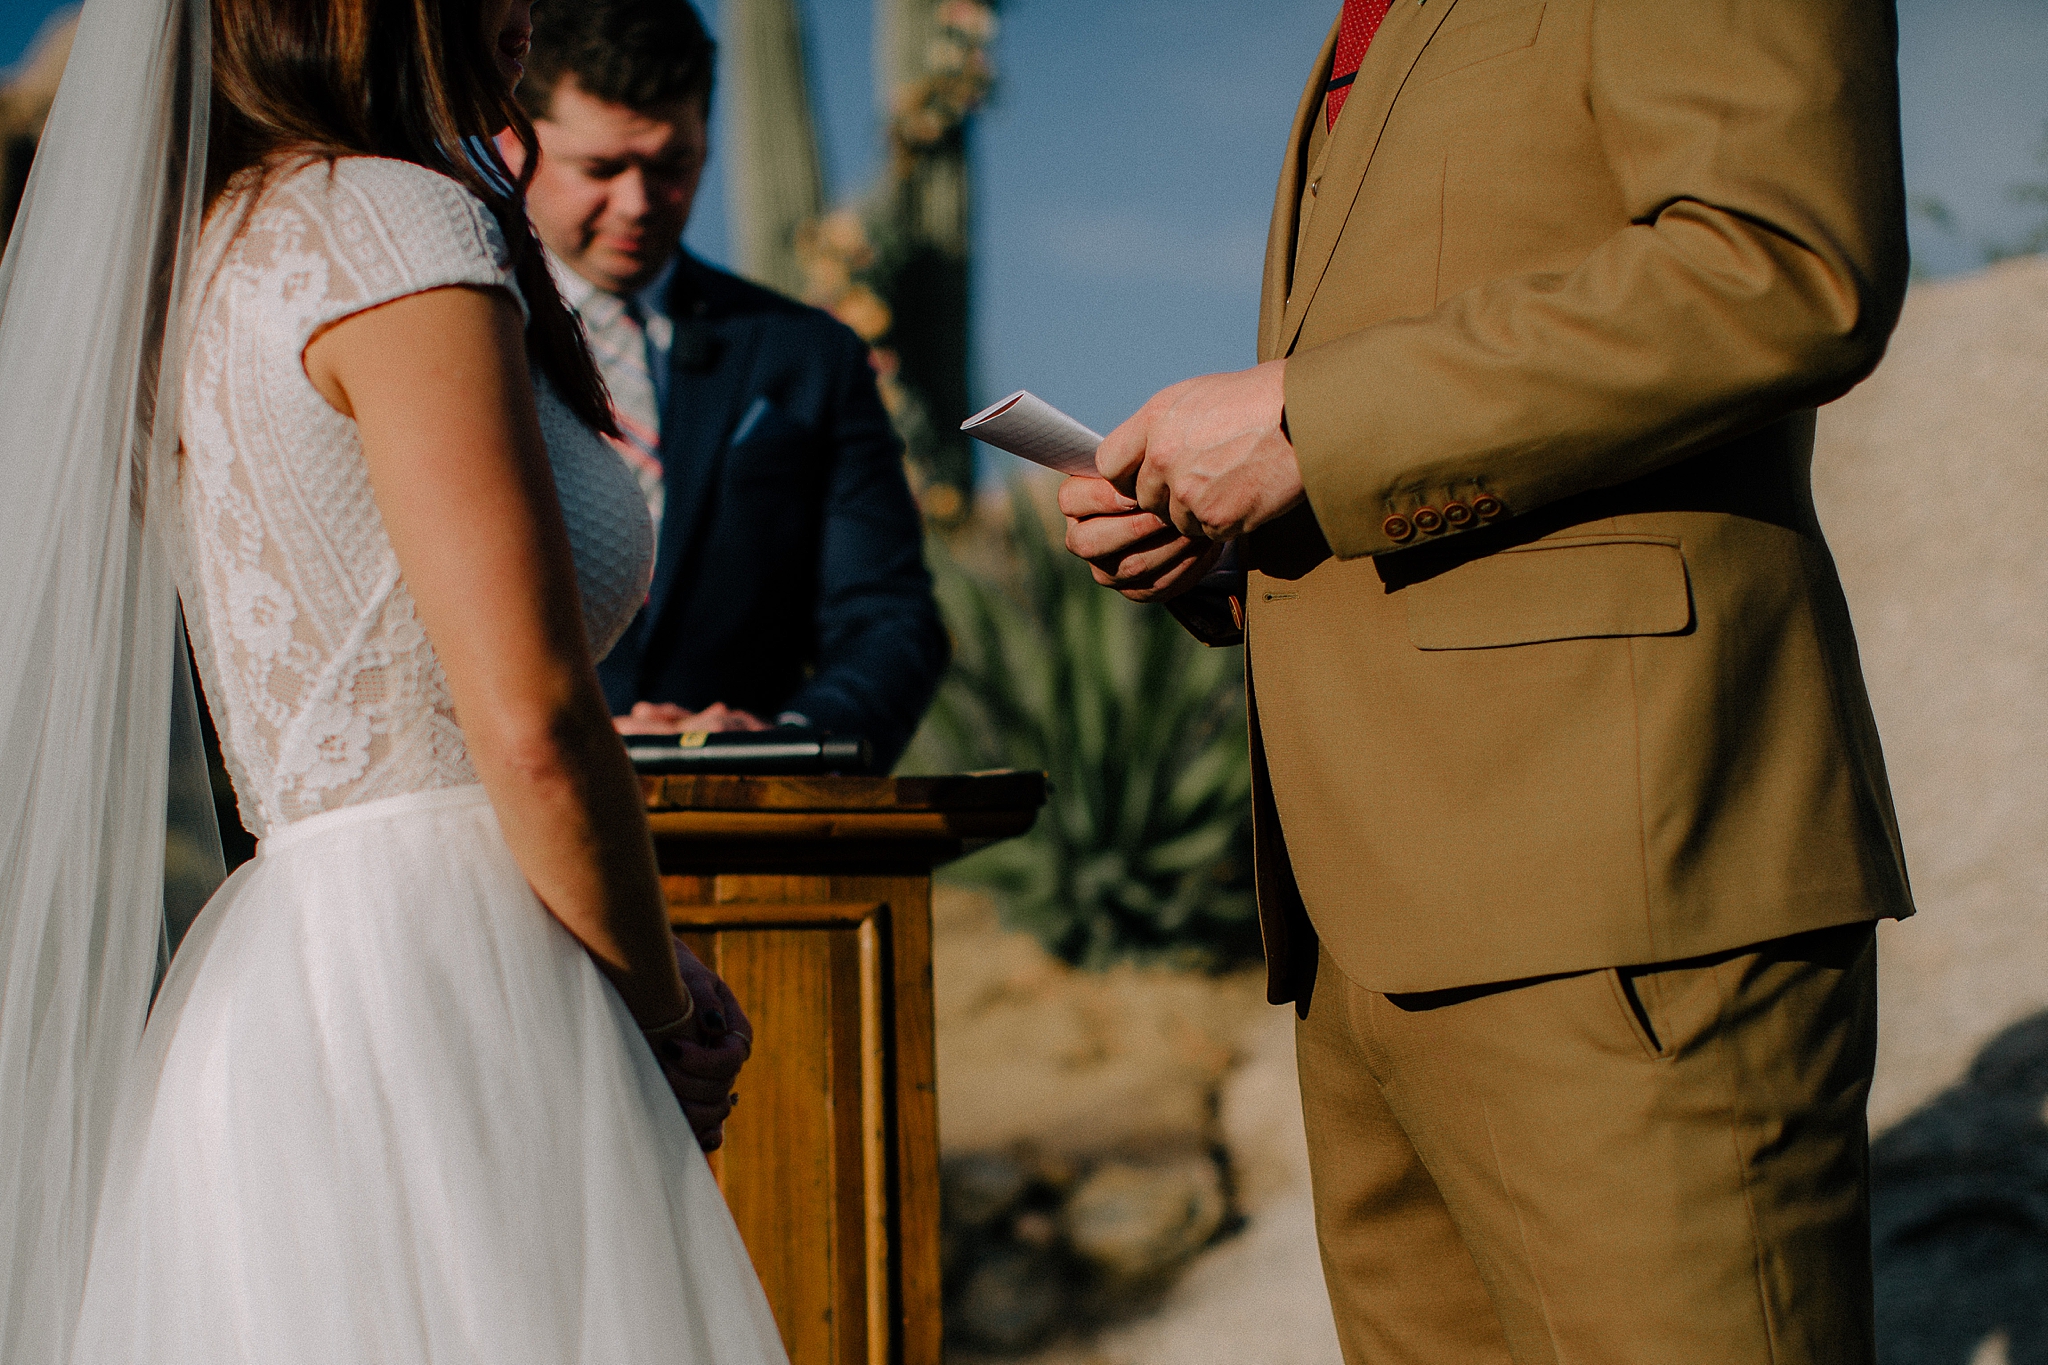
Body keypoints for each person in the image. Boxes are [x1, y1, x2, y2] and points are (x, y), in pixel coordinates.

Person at [1063, 2, 1914, 1362]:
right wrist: (1227, 543)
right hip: (1359, 933)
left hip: (1617, 888)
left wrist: (1306, 424)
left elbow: (1781, 266)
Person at [0, 0, 787, 1358]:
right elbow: (532, 727)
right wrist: (659, 1016)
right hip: (451, 989)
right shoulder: (390, 227)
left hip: (283, 985)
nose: (527, 7)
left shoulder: (205, 249)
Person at [498, 0, 947, 770]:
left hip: (745, 816)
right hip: (498, 808)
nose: (639, 204)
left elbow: (887, 617)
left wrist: (784, 742)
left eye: (672, 167)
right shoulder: (460, 336)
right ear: (515, 145)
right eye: (602, 169)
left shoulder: (809, 356)